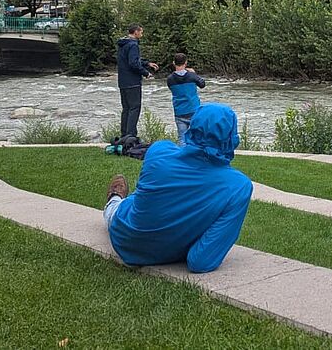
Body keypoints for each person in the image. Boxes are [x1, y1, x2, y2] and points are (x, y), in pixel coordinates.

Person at [105, 103, 252, 273]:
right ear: (231, 137)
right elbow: (201, 262)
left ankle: (116, 198)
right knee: (123, 204)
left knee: (123, 207)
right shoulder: (239, 187)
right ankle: (115, 198)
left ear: (192, 128)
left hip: (126, 241)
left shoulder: (158, 151)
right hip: (169, 251)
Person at [117, 24, 158, 139]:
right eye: (141, 32)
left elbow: (132, 59)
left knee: (126, 109)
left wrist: (147, 63)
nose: (142, 34)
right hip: (132, 82)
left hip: (122, 82)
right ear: (135, 32)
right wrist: (146, 73)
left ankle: (124, 135)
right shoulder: (133, 45)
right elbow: (133, 63)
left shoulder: (122, 44)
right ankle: (131, 136)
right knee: (135, 108)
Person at [166, 53, 206, 139]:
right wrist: (195, 74)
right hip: (193, 109)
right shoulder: (191, 76)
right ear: (186, 63)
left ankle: (183, 152)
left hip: (179, 111)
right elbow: (202, 84)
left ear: (174, 63)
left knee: (182, 138)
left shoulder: (170, 79)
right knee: (197, 137)